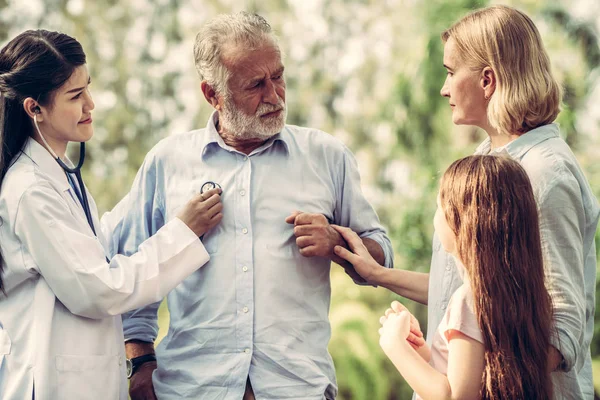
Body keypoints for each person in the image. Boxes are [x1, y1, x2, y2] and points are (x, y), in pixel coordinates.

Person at [108, 12, 412, 400]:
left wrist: (335, 240)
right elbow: (131, 274)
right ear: (211, 94)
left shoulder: (328, 156)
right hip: (190, 390)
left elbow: (381, 257)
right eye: (255, 85)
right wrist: (141, 363)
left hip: (298, 389)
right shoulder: (166, 163)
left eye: (279, 76)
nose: (274, 95)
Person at [332, 5, 600, 399]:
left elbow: (562, 329)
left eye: (450, 71)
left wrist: (463, 385)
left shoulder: (544, 174)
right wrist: (378, 275)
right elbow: (479, 288)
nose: (444, 88)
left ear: (487, 80)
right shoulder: (491, 161)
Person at [0, 30, 223, 400]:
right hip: (51, 385)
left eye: (88, 88)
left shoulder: (58, 172)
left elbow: (89, 246)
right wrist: (183, 232)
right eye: (75, 96)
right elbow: (98, 290)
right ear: (34, 108)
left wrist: (158, 202)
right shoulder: (30, 189)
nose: (90, 104)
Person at [337, 155, 555, 398]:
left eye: (440, 207)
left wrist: (394, 344)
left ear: (464, 221)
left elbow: (453, 396)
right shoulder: (527, 294)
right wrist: (425, 355)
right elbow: (478, 381)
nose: (436, 217)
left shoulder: (469, 300)